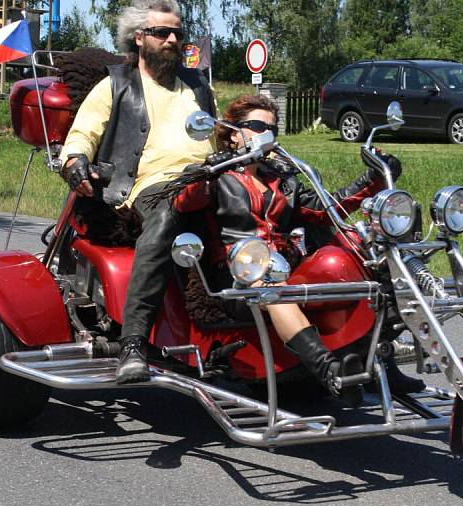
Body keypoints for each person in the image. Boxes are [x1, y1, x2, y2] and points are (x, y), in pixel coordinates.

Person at [175, 95, 425, 404]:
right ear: (233, 132)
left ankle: (379, 361)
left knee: (372, 263)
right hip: (238, 276)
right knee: (274, 291)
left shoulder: (283, 179)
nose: (266, 134)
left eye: (272, 128)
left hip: (284, 267)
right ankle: (328, 371)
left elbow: (324, 210)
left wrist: (372, 179)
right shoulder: (217, 177)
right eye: (256, 126)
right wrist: (207, 172)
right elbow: (183, 201)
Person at [58, 0, 216, 384]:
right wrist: (75, 162)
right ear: (139, 38)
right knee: (165, 215)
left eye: (178, 32)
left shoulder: (197, 85)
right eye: (163, 32)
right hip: (148, 189)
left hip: (211, 180)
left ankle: (357, 341)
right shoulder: (115, 84)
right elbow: (81, 137)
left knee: (283, 206)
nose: (173, 39)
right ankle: (133, 342)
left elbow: (221, 133)